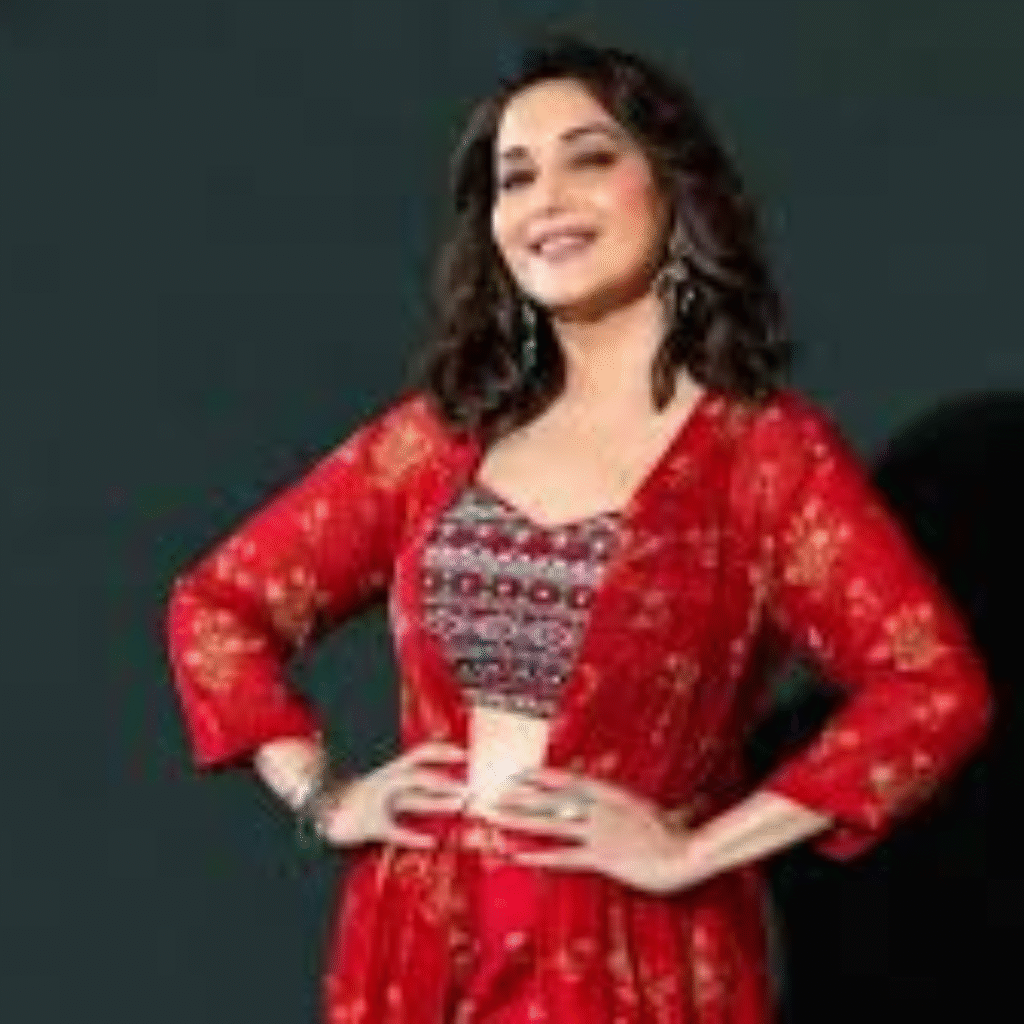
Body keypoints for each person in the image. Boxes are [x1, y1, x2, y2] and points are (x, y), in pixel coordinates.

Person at [164, 33, 994, 1024]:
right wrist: (324, 797)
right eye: (515, 177)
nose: (545, 200)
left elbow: (929, 686)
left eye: (589, 158)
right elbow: (219, 605)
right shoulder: (438, 442)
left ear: (673, 187)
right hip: (418, 938)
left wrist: (696, 848)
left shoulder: (760, 456)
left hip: (625, 951)